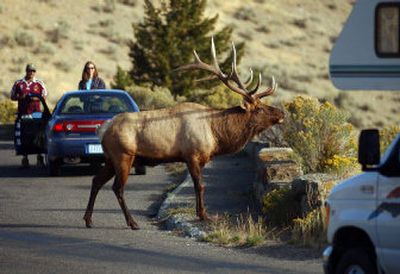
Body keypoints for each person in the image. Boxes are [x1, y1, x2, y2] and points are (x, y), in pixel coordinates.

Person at [10, 63, 47, 168]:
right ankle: (25, 158)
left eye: (33, 71)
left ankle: (40, 157)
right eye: (29, 71)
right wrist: (22, 96)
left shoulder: (39, 83)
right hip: (24, 113)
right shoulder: (19, 83)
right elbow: (12, 96)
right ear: (26, 71)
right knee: (24, 136)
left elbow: (44, 96)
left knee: (38, 136)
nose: (31, 73)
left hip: (37, 114)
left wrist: (35, 98)